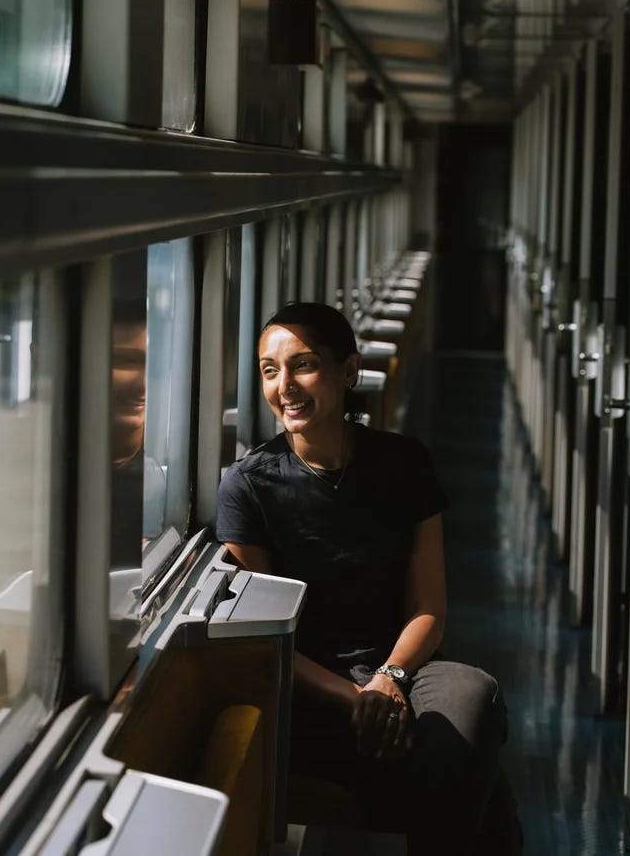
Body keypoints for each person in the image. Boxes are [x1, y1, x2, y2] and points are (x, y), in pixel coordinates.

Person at [216, 302, 521, 855]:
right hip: (304, 684)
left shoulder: (404, 463)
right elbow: (264, 635)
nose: (284, 386)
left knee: (470, 698)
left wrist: (389, 678)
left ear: (348, 371)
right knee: (472, 779)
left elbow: (429, 606)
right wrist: (355, 697)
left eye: (303, 364)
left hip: (402, 669)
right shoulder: (248, 486)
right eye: (268, 370)